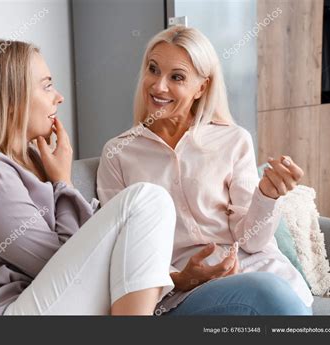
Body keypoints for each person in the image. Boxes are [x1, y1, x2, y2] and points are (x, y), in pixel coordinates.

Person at [0, 39, 178, 315]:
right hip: (8, 313)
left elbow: (79, 260)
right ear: (11, 98)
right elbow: (59, 263)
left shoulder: (34, 161)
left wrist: (60, 181)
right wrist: (63, 182)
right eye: (47, 85)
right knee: (149, 198)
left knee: (151, 203)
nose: (59, 97)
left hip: (47, 301)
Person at [97, 26, 313, 315]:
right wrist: (182, 278)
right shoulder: (119, 153)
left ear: (201, 87)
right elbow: (120, 251)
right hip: (182, 293)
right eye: (153, 70)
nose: (159, 86)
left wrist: (268, 195)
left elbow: (253, 240)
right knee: (271, 295)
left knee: (277, 293)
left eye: (177, 77)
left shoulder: (233, 140)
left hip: (251, 270)